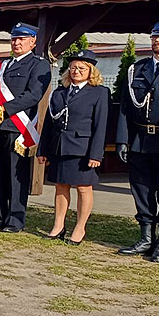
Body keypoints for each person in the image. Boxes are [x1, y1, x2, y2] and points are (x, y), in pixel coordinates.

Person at [115, 17, 159, 262]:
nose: (157, 40)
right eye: (154, 36)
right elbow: (125, 108)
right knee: (141, 189)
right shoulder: (137, 69)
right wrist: (122, 139)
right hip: (140, 139)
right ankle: (146, 237)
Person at [37, 51, 109, 245]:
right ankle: (58, 225)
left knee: (84, 188)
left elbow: (100, 125)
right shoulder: (60, 92)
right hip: (60, 146)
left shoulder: (99, 92)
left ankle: (80, 227)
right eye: (73, 67)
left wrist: (96, 154)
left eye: (82, 68)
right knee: (61, 187)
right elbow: (49, 123)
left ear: (91, 71)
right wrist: (43, 150)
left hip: (83, 148)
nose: (76, 71)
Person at [0, 22, 51, 233]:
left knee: (15, 176)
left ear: (32, 42)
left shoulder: (38, 65)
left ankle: (15, 219)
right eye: (14, 38)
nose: (17, 42)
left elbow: (33, 95)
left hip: (18, 127)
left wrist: (4, 110)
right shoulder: (3, 64)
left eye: (22, 39)